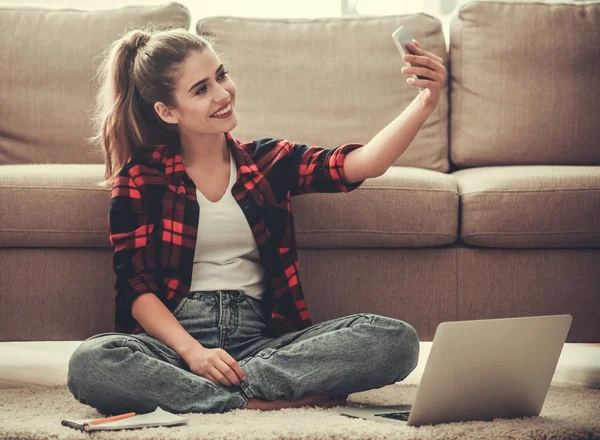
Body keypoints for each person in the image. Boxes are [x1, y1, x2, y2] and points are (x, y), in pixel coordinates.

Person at [67, 25, 445, 416]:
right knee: (91, 362)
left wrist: (426, 101)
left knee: (394, 340)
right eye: (200, 89)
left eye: (221, 75)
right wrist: (194, 354)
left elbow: (361, 163)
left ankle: (219, 395)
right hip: (176, 348)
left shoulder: (267, 161)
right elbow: (137, 290)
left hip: (261, 345)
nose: (222, 93)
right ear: (167, 111)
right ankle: (255, 399)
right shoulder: (140, 178)